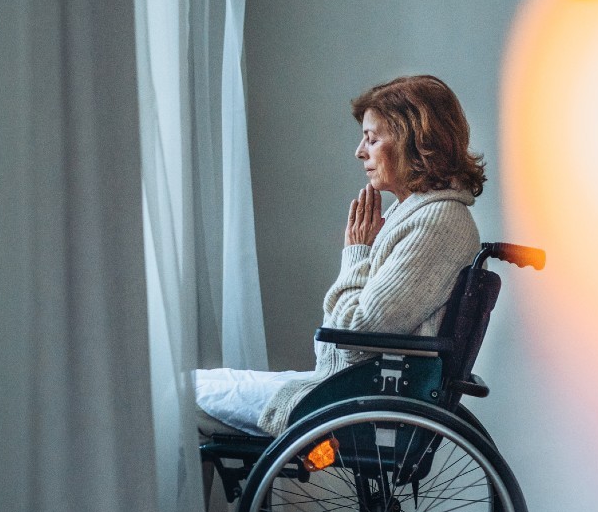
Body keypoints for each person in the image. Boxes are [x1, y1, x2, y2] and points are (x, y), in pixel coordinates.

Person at [195, 74, 486, 440]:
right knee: (194, 386)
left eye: (372, 138)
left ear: (415, 141)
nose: (360, 152)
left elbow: (355, 332)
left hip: (359, 397)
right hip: (352, 388)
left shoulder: (437, 222)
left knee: (182, 395)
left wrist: (356, 252)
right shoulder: (417, 214)